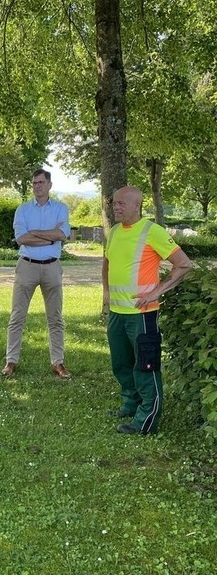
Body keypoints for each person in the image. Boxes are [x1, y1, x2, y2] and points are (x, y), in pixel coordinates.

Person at [103, 186, 192, 435]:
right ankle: (130, 404)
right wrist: (106, 292)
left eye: (121, 203)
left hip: (142, 315)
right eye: (114, 203)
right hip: (118, 314)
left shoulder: (152, 232)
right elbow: (107, 263)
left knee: (145, 367)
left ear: (136, 206)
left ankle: (146, 421)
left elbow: (183, 265)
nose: (116, 207)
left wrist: (155, 293)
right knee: (121, 364)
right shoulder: (113, 233)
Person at [2, 169, 72, 379]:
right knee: (17, 316)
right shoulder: (22, 210)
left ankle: (57, 363)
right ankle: (11, 361)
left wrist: (37, 234)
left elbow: (63, 234)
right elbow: (21, 238)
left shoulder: (61, 208)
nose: (37, 186)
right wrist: (51, 237)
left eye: (41, 182)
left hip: (52, 267)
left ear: (50, 185)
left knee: (55, 318)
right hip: (27, 266)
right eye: (34, 183)